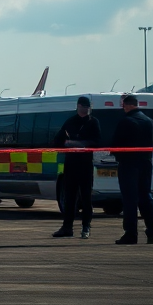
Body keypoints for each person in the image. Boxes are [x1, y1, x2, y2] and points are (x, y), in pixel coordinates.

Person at [52, 96, 101, 239]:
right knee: (69, 197)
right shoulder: (70, 122)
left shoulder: (93, 123)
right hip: (71, 165)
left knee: (86, 197)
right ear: (78, 106)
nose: (84, 109)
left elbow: (97, 142)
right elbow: (58, 141)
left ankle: (86, 226)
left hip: (85, 164)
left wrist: (81, 144)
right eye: (82, 107)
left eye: (86, 107)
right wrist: (67, 143)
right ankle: (67, 227)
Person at [112, 93, 153, 245]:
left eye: (123, 105)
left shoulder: (126, 122)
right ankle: (152, 230)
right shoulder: (149, 121)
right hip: (146, 162)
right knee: (146, 196)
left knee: (130, 199)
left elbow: (116, 144)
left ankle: (131, 233)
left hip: (129, 163)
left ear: (128, 105)